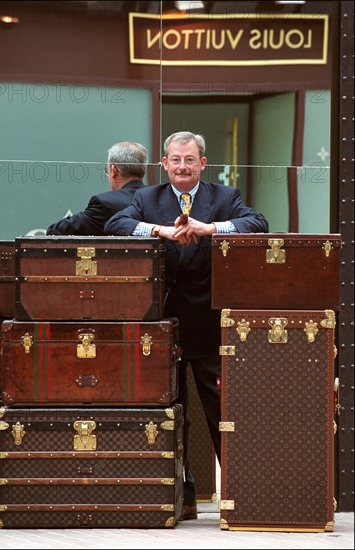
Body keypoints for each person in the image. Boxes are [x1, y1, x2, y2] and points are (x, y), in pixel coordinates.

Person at [104, 131, 269, 521]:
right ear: (164, 164)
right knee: (172, 412)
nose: (182, 166)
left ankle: (240, 497)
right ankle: (185, 497)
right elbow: (116, 224)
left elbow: (257, 223)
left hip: (211, 323)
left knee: (221, 410)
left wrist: (210, 228)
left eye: (189, 160)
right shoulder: (146, 199)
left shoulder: (225, 197)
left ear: (202, 163)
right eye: (175, 160)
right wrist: (159, 231)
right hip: (163, 325)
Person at [46, 141, 148, 235]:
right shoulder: (157, 198)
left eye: (107, 169)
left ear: (114, 170)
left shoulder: (105, 203)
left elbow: (56, 231)